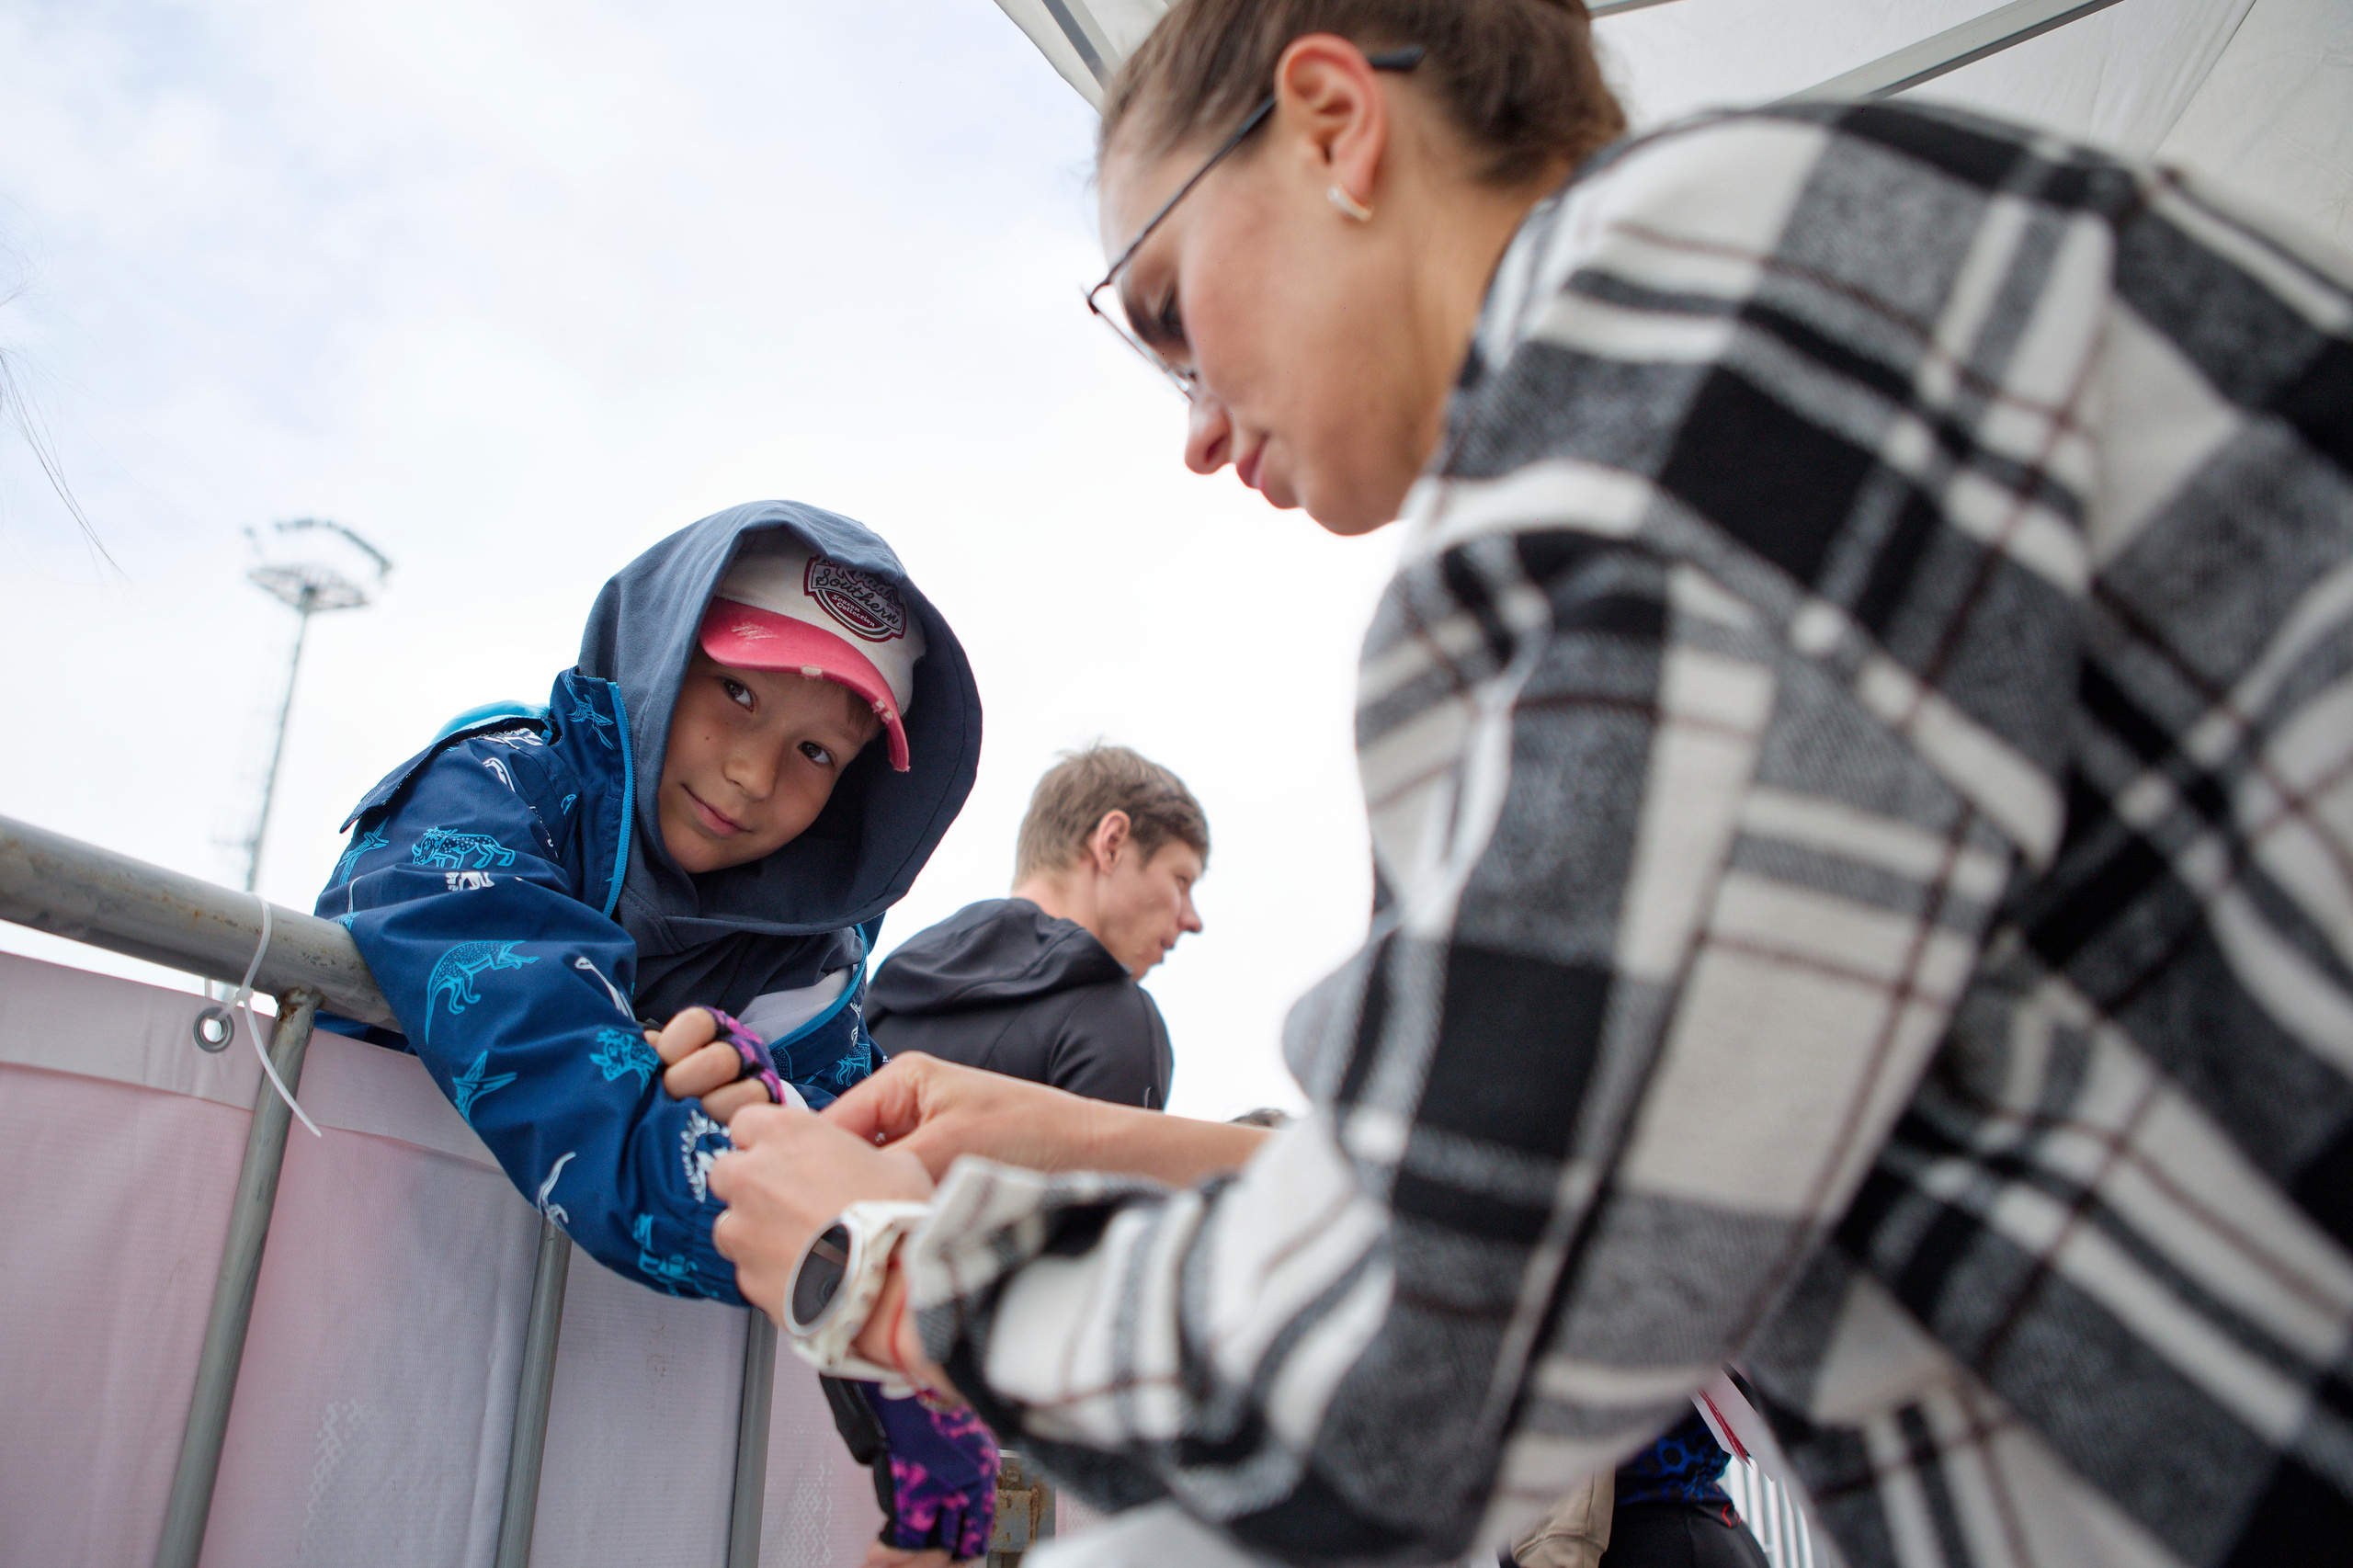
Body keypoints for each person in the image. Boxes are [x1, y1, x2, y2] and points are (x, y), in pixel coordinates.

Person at [702, 3, 2353, 1565]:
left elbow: (1416, 1369)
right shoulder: (1845, 282)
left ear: (1337, 127)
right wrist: (1075, 1139)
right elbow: (1592, 1167)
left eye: (1173, 315)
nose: (1196, 430)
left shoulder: (1689, 374)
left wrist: (896, 1272)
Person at [313, 500, 998, 1566]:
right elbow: (578, 1094)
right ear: (660, 648)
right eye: (734, 691)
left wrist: (790, 1135)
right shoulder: (487, 797)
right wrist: (874, 1284)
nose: (751, 773)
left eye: (815, 749)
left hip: (611, 1471)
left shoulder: (805, 967)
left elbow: (859, 1163)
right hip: (341, 1376)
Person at [863, 744, 1207, 1108]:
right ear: (1112, 844)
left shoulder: (872, 998)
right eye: (1181, 881)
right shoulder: (1115, 1020)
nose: (1193, 920)